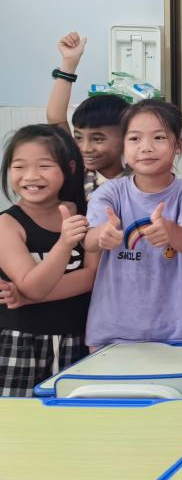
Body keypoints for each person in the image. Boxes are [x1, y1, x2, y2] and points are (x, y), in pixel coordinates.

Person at [84, 100, 182, 349]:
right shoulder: (109, 193)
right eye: (135, 139)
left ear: (178, 145)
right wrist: (103, 234)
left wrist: (170, 230)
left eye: (159, 138)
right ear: (123, 145)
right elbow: (90, 241)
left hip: (174, 331)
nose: (146, 147)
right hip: (111, 332)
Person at [0, 126, 96, 395]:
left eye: (44, 166)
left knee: (71, 416)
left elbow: (91, 276)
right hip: (19, 340)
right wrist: (64, 244)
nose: (31, 176)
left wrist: (27, 296)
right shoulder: (7, 224)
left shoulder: (87, 213)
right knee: (15, 417)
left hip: (77, 338)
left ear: (70, 168)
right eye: (19, 167)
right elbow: (33, 285)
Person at [44, 32, 127, 193]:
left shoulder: (139, 181)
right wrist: (69, 63)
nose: (85, 148)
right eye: (78, 138)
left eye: (97, 139)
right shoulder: (77, 171)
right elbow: (55, 119)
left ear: (126, 137)